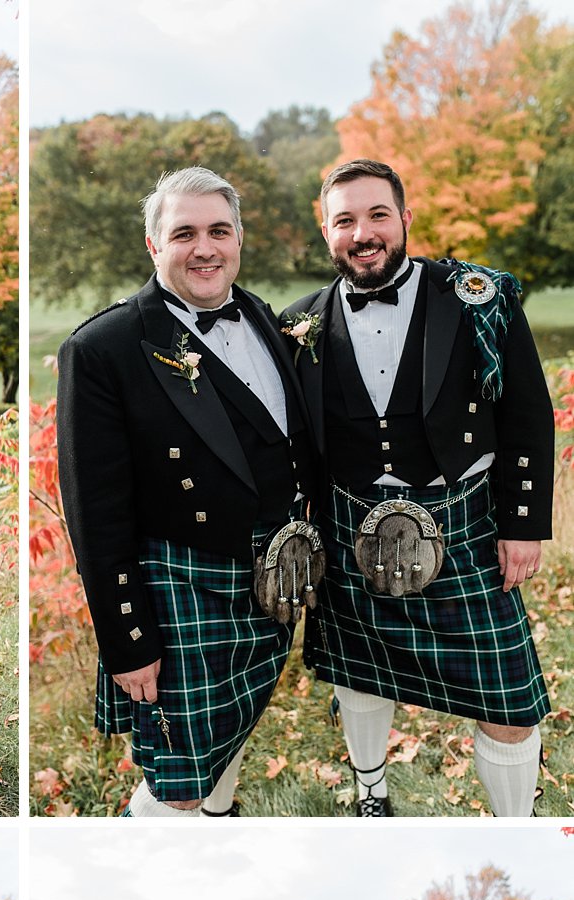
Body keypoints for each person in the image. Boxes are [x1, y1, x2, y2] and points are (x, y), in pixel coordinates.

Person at [281, 158, 553, 817]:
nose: (363, 232)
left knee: (509, 697)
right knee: (358, 677)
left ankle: (513, 825)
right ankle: (372, 792)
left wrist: (521, 522)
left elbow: (526, 412)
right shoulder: (299, 321)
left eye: (377, 215)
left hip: (461, 523)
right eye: (345, 220)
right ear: (327, 232)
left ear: (405, 219)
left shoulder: (476, 298)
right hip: (350, 524)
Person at [56, 167, 319, 818]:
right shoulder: (105, 347)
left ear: (239, 239)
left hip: (270, 581)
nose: (205, 248)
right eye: (185, 234)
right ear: (153, 245)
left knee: (225, 739)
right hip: (182, 586)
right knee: (177, 779)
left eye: (219, 231)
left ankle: (217, 822)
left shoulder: (259, 313)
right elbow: (95, 512)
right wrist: (128, 640)